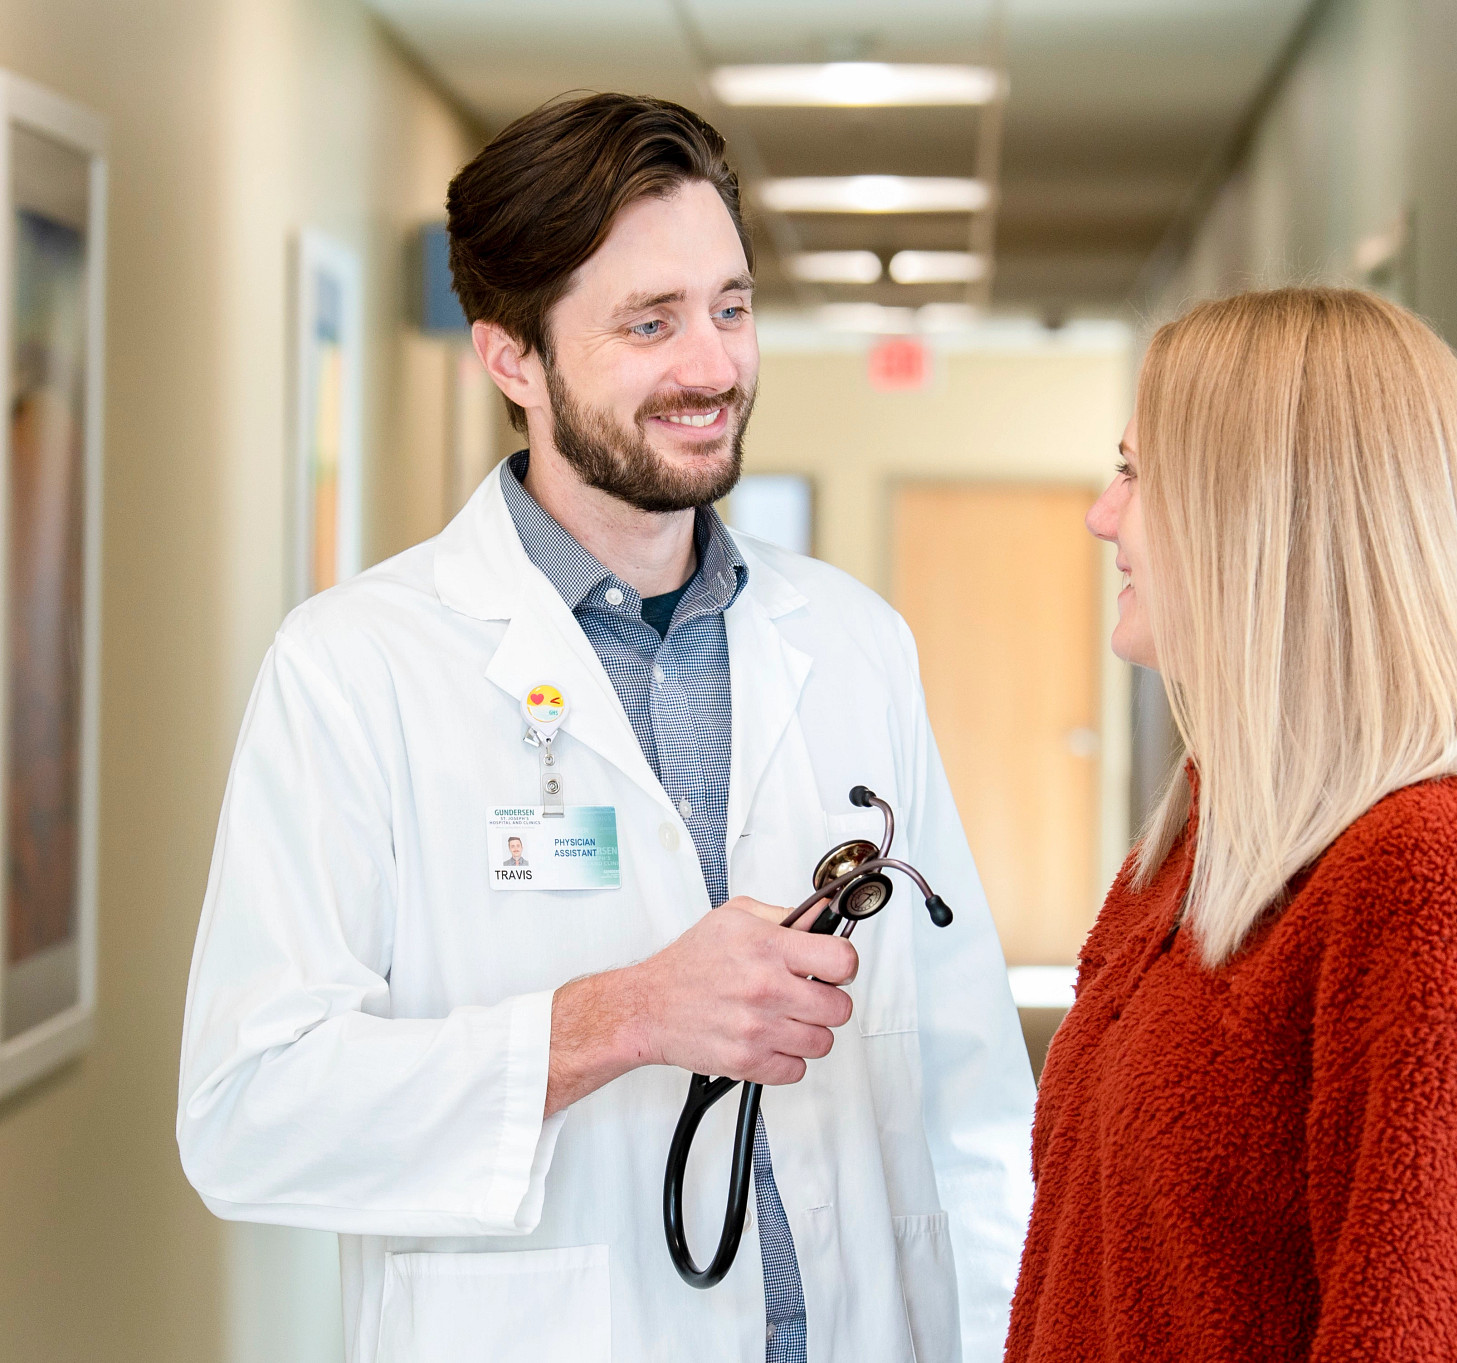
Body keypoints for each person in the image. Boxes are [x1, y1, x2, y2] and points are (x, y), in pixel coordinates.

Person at [177, 94, 1034, 1363]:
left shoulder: (854, 644)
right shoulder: (355, 667)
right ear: (510, 357)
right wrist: (620, 1017)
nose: (712, 365)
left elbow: (970, 1094)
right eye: (649, 322)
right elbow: (250, 1116)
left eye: (730, 307)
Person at [1004, 288, 1457, 1363]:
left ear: (1260, 514)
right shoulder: (1210, 847)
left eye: (1136, 473)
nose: (1103, 515)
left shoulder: (1436, 880)